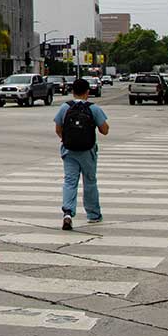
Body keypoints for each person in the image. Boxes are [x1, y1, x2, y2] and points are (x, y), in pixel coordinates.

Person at [55, 78, 110, 230]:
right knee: (90, 182)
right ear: (88, 92)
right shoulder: (94, 109)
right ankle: (93, 214)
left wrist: (68, 139)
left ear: (73, 92)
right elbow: (104, 130)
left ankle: (67, 212)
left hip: (69, 150)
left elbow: (58, 129)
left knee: (70, 181)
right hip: (88, 151)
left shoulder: (65, 108)